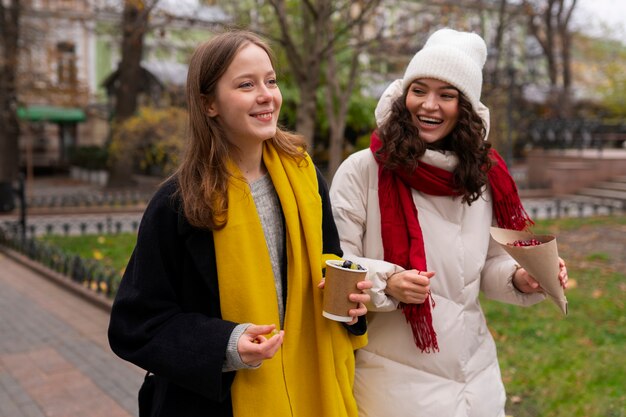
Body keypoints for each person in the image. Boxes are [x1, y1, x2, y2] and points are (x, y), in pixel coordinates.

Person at [108, 29, 371, 417]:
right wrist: (227, 344)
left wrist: (349, 301)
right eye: (246, 84)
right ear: (209, 104)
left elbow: (329, 259)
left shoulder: (305, 177)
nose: (266, 95)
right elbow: (135, 323)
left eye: (271, 81)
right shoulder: (180, 203)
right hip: (218, 405)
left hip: (310, 391)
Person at [329, 28, 569, 417]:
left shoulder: (482, 174)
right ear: (403, 94)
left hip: (476, 376)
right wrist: (388, 281)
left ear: (467, 107)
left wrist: (519, 277)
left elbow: (486, 265)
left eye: (447, 95)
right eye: (419, 89)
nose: (429, 105)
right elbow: (335, 265)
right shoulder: (363, 170)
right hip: (390, 382)